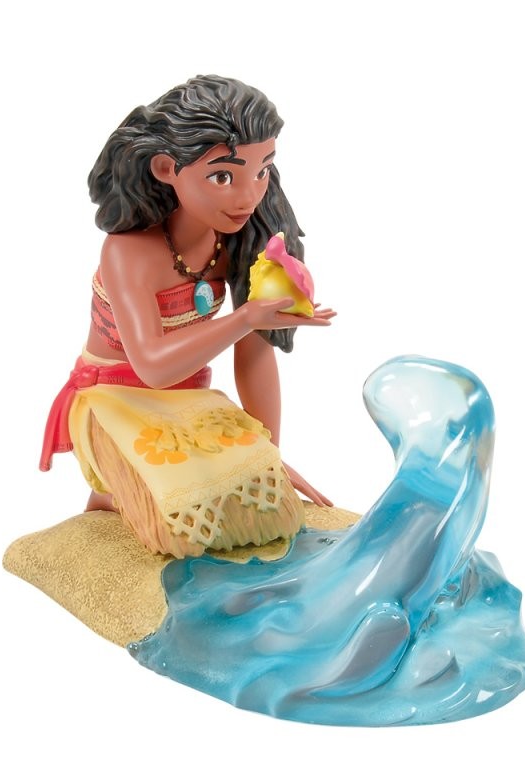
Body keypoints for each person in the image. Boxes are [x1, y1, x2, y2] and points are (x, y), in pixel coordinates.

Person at [40, 75, 335, 558]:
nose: (248, 196)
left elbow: (255, 358)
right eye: (224, 177)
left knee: (267, 515)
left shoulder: (241, 241)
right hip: (114, 399)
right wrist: (245, 318)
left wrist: (265, 456)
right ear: (165, 168)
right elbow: (153, 366)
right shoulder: (128, 251)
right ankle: (110, 502)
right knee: (182, 529)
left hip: (191, 400)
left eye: (262, 171)